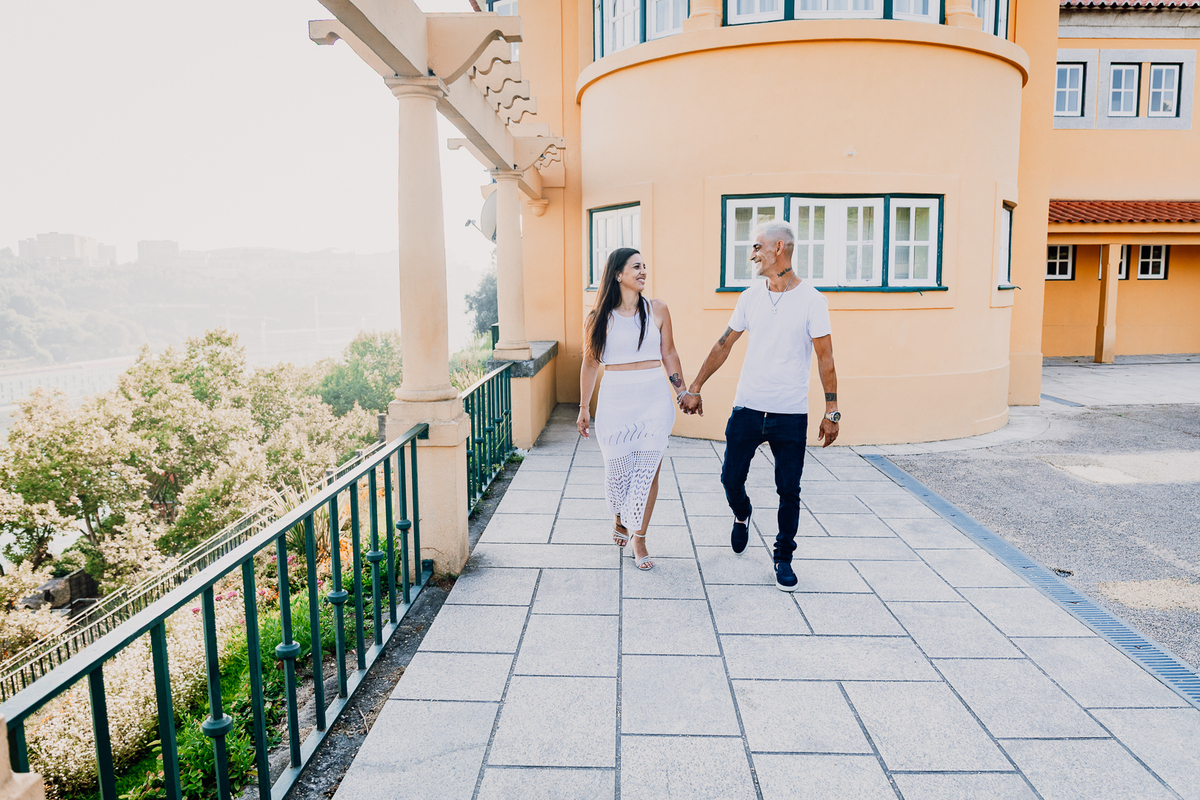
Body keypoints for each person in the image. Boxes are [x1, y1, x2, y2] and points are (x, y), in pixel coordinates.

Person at [680, 221, 840, 591]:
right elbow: (724, 344)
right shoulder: (750, 296)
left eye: (757, 247)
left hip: (790, 412)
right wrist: (696, 386)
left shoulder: (813, 301)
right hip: (748, 407)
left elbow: (825, 358)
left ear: (779, 248)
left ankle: (783, 556)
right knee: (730, 479)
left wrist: (832, 411)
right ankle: (742, 513)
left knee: (789, 489)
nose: (752, 254)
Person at [577, 247, 691, 571]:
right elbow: (589, 364)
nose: (643, 272)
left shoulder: (658, 310)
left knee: (649, 469)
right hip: (616, 400)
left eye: (644, 266)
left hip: (654, 397)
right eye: (635, 267)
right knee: (618, 475)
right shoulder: (598, 318)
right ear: (618, 274)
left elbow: (668, 353)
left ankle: (639, 537)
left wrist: (681, 391)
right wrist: (584, 407)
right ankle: (619, 513)